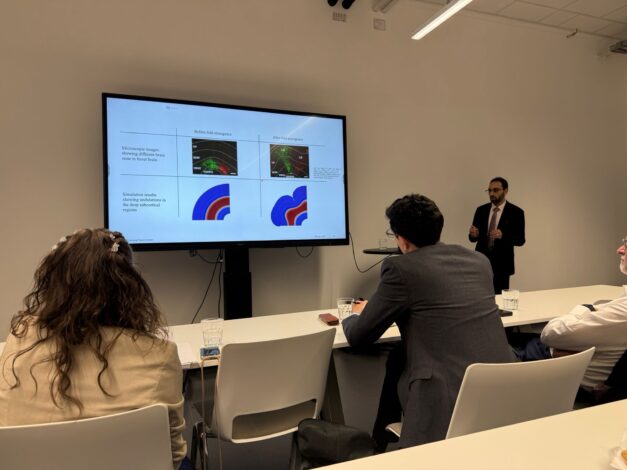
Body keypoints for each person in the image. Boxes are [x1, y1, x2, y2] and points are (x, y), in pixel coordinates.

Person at [0, 229, 186, 469]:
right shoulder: (160, 355)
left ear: (54, 284)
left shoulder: (19, 339)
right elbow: (173, 456)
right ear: (128, 288)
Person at [342, 194, 515, 449]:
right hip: (504, 390)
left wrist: (352, 314)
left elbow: (359, 335)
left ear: (402, 240)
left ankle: (378, 446)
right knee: (399, 355)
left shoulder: (400, 269)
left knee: (400, 358)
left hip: (445, 399)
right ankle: (380, 444)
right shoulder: (479, 261)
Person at [514, 237, 627, 397]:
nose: (620, 250)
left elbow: (550, 334)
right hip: (569, 357)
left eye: (626, 245)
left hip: (560, 373)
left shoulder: (623, 311)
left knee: (498, 344)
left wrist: (583, 309)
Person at [469, 177, 525, 294]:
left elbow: (520, 240)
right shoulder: (481, 210)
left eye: (495, 190)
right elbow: (473, 239)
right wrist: (473, 234)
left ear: (505, 191)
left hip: (502, 265)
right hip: (481, 262)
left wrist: (503, 236)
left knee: (499, 299)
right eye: (489, 190)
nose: (491, 194)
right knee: (480, 296)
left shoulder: (516, 212)